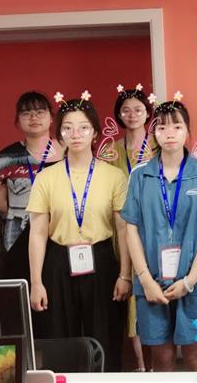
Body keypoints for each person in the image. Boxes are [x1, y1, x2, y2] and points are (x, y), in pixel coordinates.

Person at [27, 92, 131, 372]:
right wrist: (36, 282)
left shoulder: (114, 176)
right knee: (61, 337)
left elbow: (123, 228)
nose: (76, 134)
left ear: (95, 132)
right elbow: (38, 232)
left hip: (102, 259)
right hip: (59, 261)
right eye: (68, 128)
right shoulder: (46, 178)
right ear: (59, 133)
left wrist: (125, 274)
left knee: (106, 335)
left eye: (83, 127)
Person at [121, 97, 197, 372]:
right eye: (162, 127)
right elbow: (131, 228)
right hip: (151, 283)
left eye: (177, 127)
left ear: (187, 131)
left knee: (194, 357)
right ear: (153, 132)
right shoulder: (140, 175)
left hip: (193, 284)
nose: (170, 133)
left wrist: (190, 281)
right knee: (162, 358)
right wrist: (145, 280)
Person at [0, 92, 62, 281]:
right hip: (18, 233)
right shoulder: (6, 157)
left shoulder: (67, 152)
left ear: (51, 118)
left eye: (40, 112)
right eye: (26, 113)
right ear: (18, 121)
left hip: (61, 229)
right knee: (23, 282)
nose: (33, 118)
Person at [110, 84, 156, 372]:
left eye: (138, 109)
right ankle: (139, 364)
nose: (132, 114)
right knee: (128, 291)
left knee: (152, 283)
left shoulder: (158, 147)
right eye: (126, 110)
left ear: (147, 113)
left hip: (153, 227)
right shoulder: (110, 151)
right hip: (121, 226)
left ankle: (157, 363)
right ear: (118, 115)